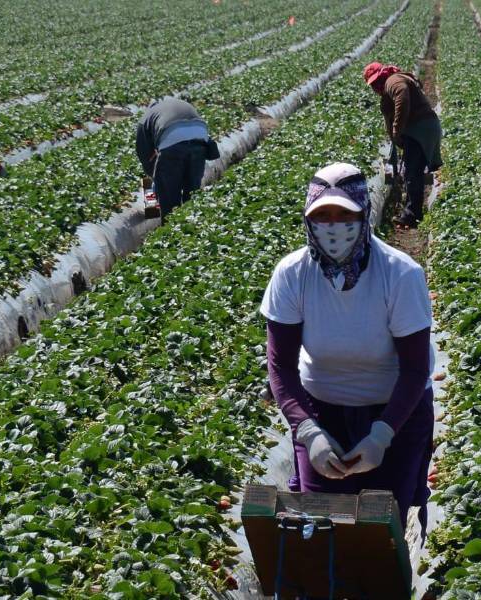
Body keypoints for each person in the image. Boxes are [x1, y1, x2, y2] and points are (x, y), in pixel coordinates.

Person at [260, 162, 435, 528]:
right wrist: (309, 433)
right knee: (320, 528)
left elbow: (416, 369)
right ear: (309, 218)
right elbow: (281, 367)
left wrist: (382, 435)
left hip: (395, 413)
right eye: (323, 215)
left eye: (345, 213)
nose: (334, 225)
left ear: (364, 212)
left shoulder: (400, 274)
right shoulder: (292, 274)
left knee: (380, 531)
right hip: (321, 412)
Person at [363, 62, 442, 229]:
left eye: (377, 82)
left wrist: (397, 128)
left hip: (420, 129)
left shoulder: (393, 80)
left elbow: (402, 96)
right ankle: (411, 211)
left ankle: (412, 215)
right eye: (373, 85)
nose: (376, 87)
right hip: (422, 128)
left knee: (413, 172)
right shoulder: (390, 85)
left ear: (383, 75)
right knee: (411, 171)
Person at [135, 97, 219, 222]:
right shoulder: (178, 105)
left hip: (172, 140)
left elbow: (144, 155)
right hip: (200, 139)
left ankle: (171, 229)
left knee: (169, 197)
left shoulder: (146, 118)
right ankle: (191, 227)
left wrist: (155, 180)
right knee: (192, 191)